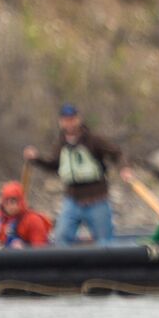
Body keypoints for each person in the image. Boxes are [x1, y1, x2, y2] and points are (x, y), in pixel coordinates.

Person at [24, 102, 121, 245]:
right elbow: (54, 165)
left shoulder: (94, 140)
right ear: (61, 122)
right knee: (61, 238)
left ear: (78, 119)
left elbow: (117, 153)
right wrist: (36, 159)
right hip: (73, 200)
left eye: (72, 119)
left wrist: (124, 168)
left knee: (105, 241)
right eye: (65, 120)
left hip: (97, 199)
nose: (69, 123)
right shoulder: (60, 144)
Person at [0, 181, 52, 249]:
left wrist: (25, 247)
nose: (10, 206)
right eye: (6, 202)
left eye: (13, 201)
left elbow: (40, 248)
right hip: (1, 257)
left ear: (20, 202)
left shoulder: (33, 220)